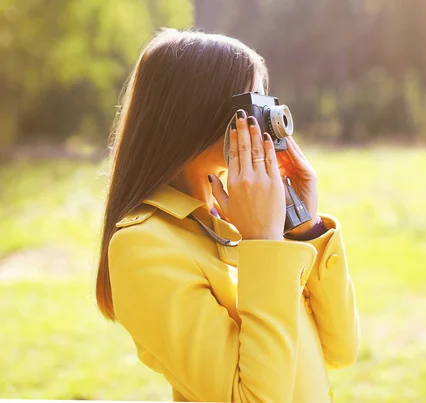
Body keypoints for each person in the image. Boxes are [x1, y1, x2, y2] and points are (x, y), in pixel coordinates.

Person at [95, 28, 359, 403]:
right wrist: (262, 242)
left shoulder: (237, 215)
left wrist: (303, 227)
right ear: (198, 113)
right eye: (254, 101)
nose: (269, 117)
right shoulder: (143, 246)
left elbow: (340, 350)